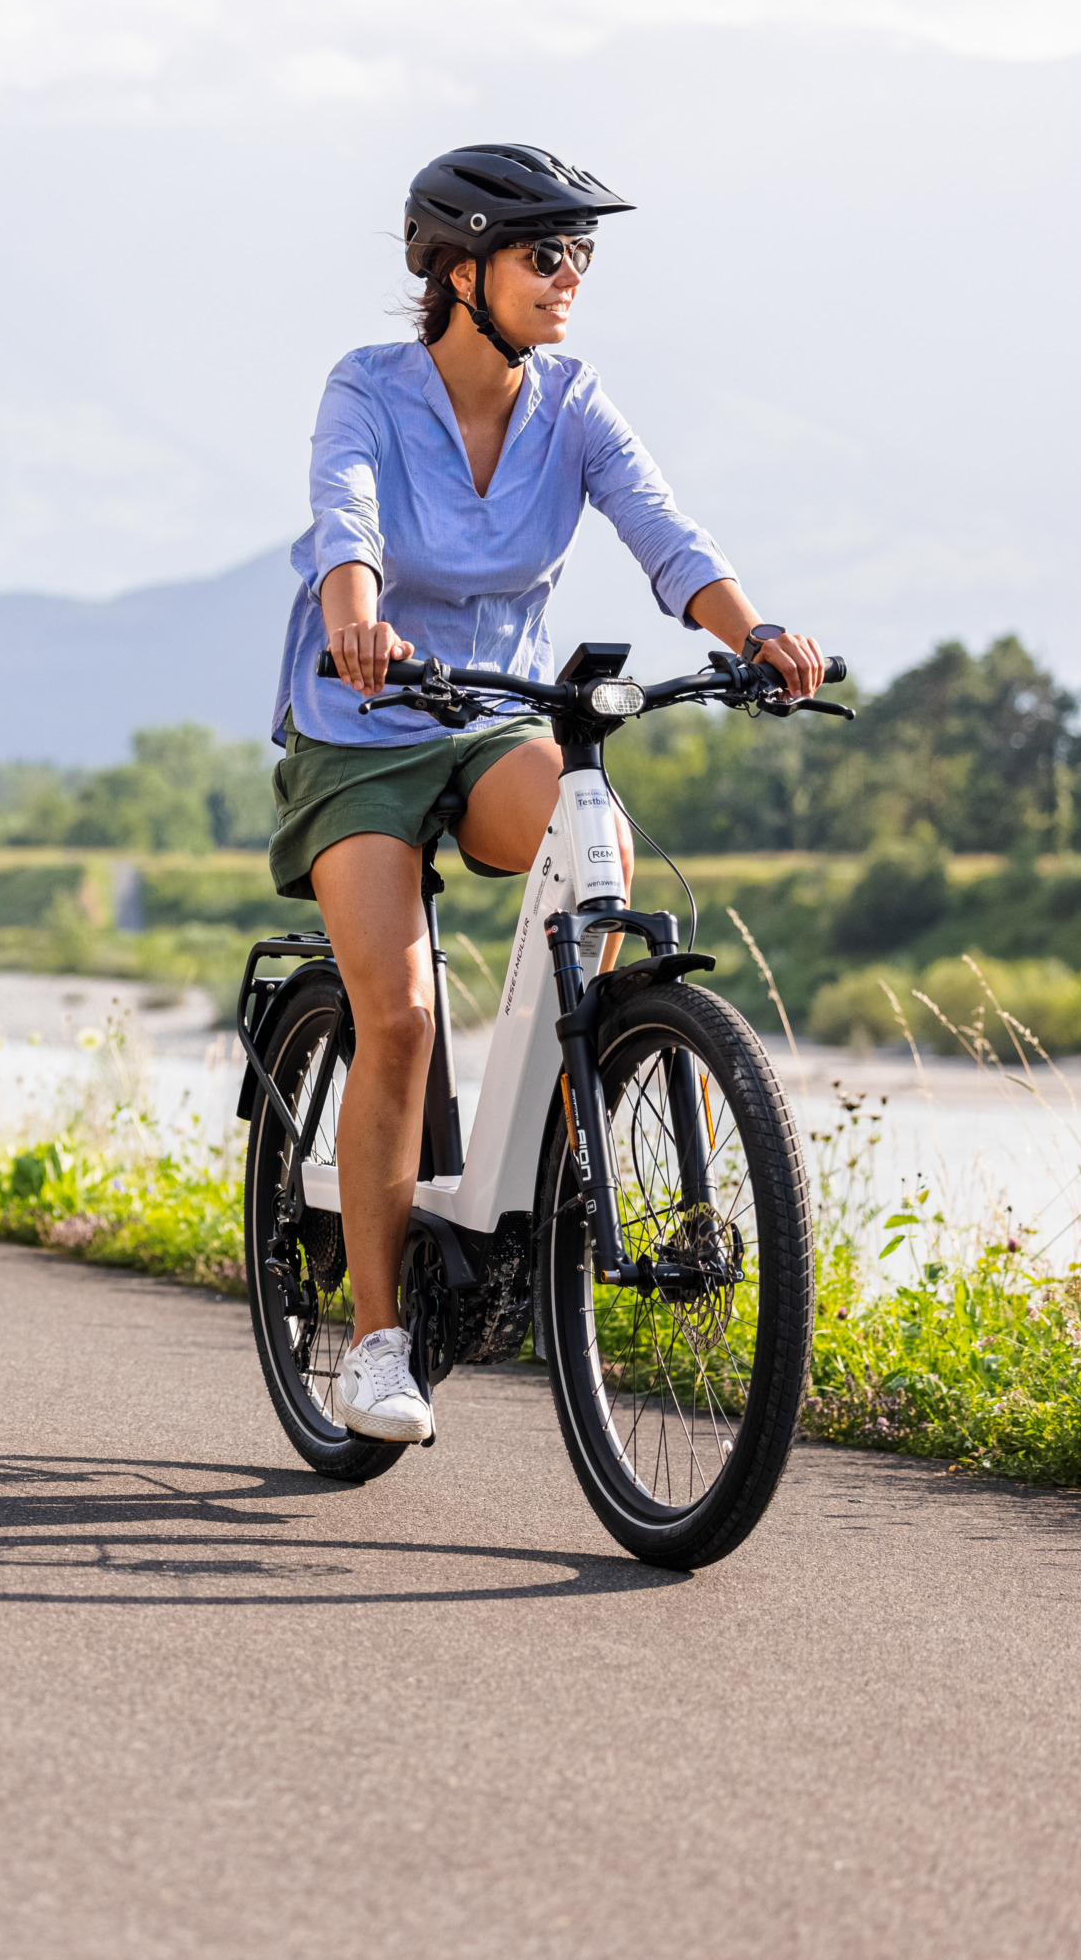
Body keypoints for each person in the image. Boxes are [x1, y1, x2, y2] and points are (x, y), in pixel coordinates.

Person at [270, 142, 828, 1446]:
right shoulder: (367, 387)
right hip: (360, 725)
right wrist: (353, 614)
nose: (568, 276)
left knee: (601, 864)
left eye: (580, 255)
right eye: (543, 253)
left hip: (494, 720)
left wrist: (752, 631)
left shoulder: (574, 403)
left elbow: (665, 532)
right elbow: (342, 517)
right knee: (399, 1014)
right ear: (459, 269)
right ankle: (373, 1339)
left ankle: (565, 1155)